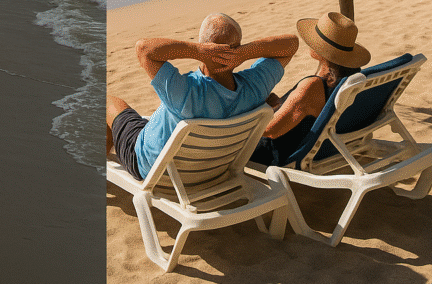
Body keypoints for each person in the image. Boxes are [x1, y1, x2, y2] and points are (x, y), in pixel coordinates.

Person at [106, 14, 298, 181]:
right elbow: (292, 44)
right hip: (213, 168)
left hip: (154, 167)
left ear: (205, 47)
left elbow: (143, 49)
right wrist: (244, 53)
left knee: (108, 103)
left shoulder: (185, 91)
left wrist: (197, 51)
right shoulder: (256, 86)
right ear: (237, 47)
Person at [250, 12, 371, 166]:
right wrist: (280, 104)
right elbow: (305, 111)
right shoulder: (351, 80)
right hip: (330, 144)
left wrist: (256, 111)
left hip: (273, 152)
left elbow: (270, 131)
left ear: (323, 50)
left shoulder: (312, 87)